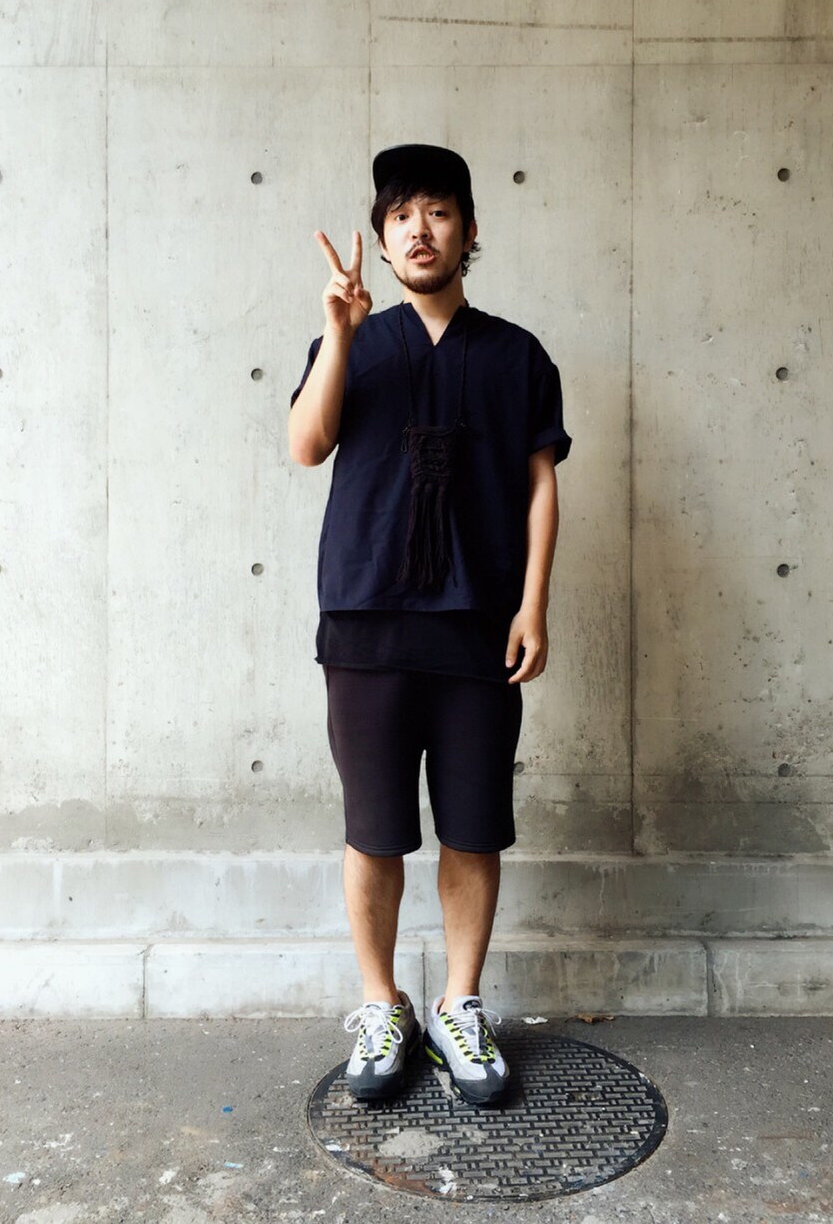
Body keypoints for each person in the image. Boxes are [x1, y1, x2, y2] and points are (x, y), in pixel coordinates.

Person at [289, 144, 571, 1105]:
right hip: (366, 619)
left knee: (473, 829)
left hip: (479, 625)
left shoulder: (516, 354)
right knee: (373, 831)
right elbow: (306, 445)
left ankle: (459, 1004)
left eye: (439, 212)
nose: (420, 230)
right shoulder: (356, 341)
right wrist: (337, 334)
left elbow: (540, 483)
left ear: (469, 230)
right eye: (401, 215)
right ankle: (382, 1004)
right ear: (381, 237)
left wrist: (533, 603)